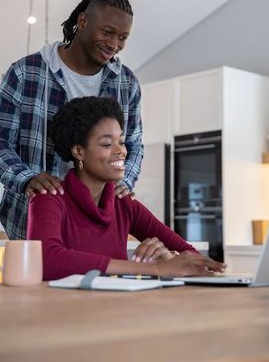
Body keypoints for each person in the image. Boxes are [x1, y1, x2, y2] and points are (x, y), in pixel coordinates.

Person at [0, 0, 143, 239]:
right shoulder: (25, 73)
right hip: (30, 219)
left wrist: (125, 183)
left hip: (96, 224)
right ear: (82, 22)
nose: (114, 44)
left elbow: (133, 145)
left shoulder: (127, 84)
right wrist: (27, 179)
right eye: (108, 32)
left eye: (122, 37)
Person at [27, 96, 226, 280]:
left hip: (118, 312)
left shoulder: (124, 204)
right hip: (65, 313)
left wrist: (169, 258)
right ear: (79, 151)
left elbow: (189, 255)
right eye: (106, 144)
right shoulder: (49, 198)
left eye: (120, 141)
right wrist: (155, 270)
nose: (121, 150)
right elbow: (47, 259)